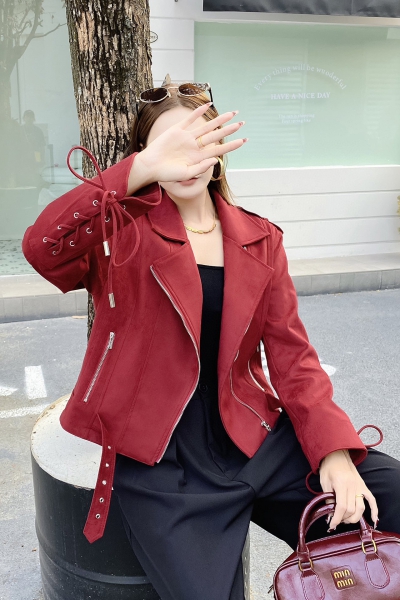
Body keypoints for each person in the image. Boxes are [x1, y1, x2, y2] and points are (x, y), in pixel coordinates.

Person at [22, 81, 400, 600]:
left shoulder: (260, 239)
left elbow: (293, 359)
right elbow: (42, 248)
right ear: (146, 155)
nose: (188, 159)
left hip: (254, 439)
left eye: (200, 141)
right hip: (164, 465)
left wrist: (332, 450)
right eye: (169, 146)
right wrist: (138, 170)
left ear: (220, 150)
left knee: (388, 494)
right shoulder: (120, 231)